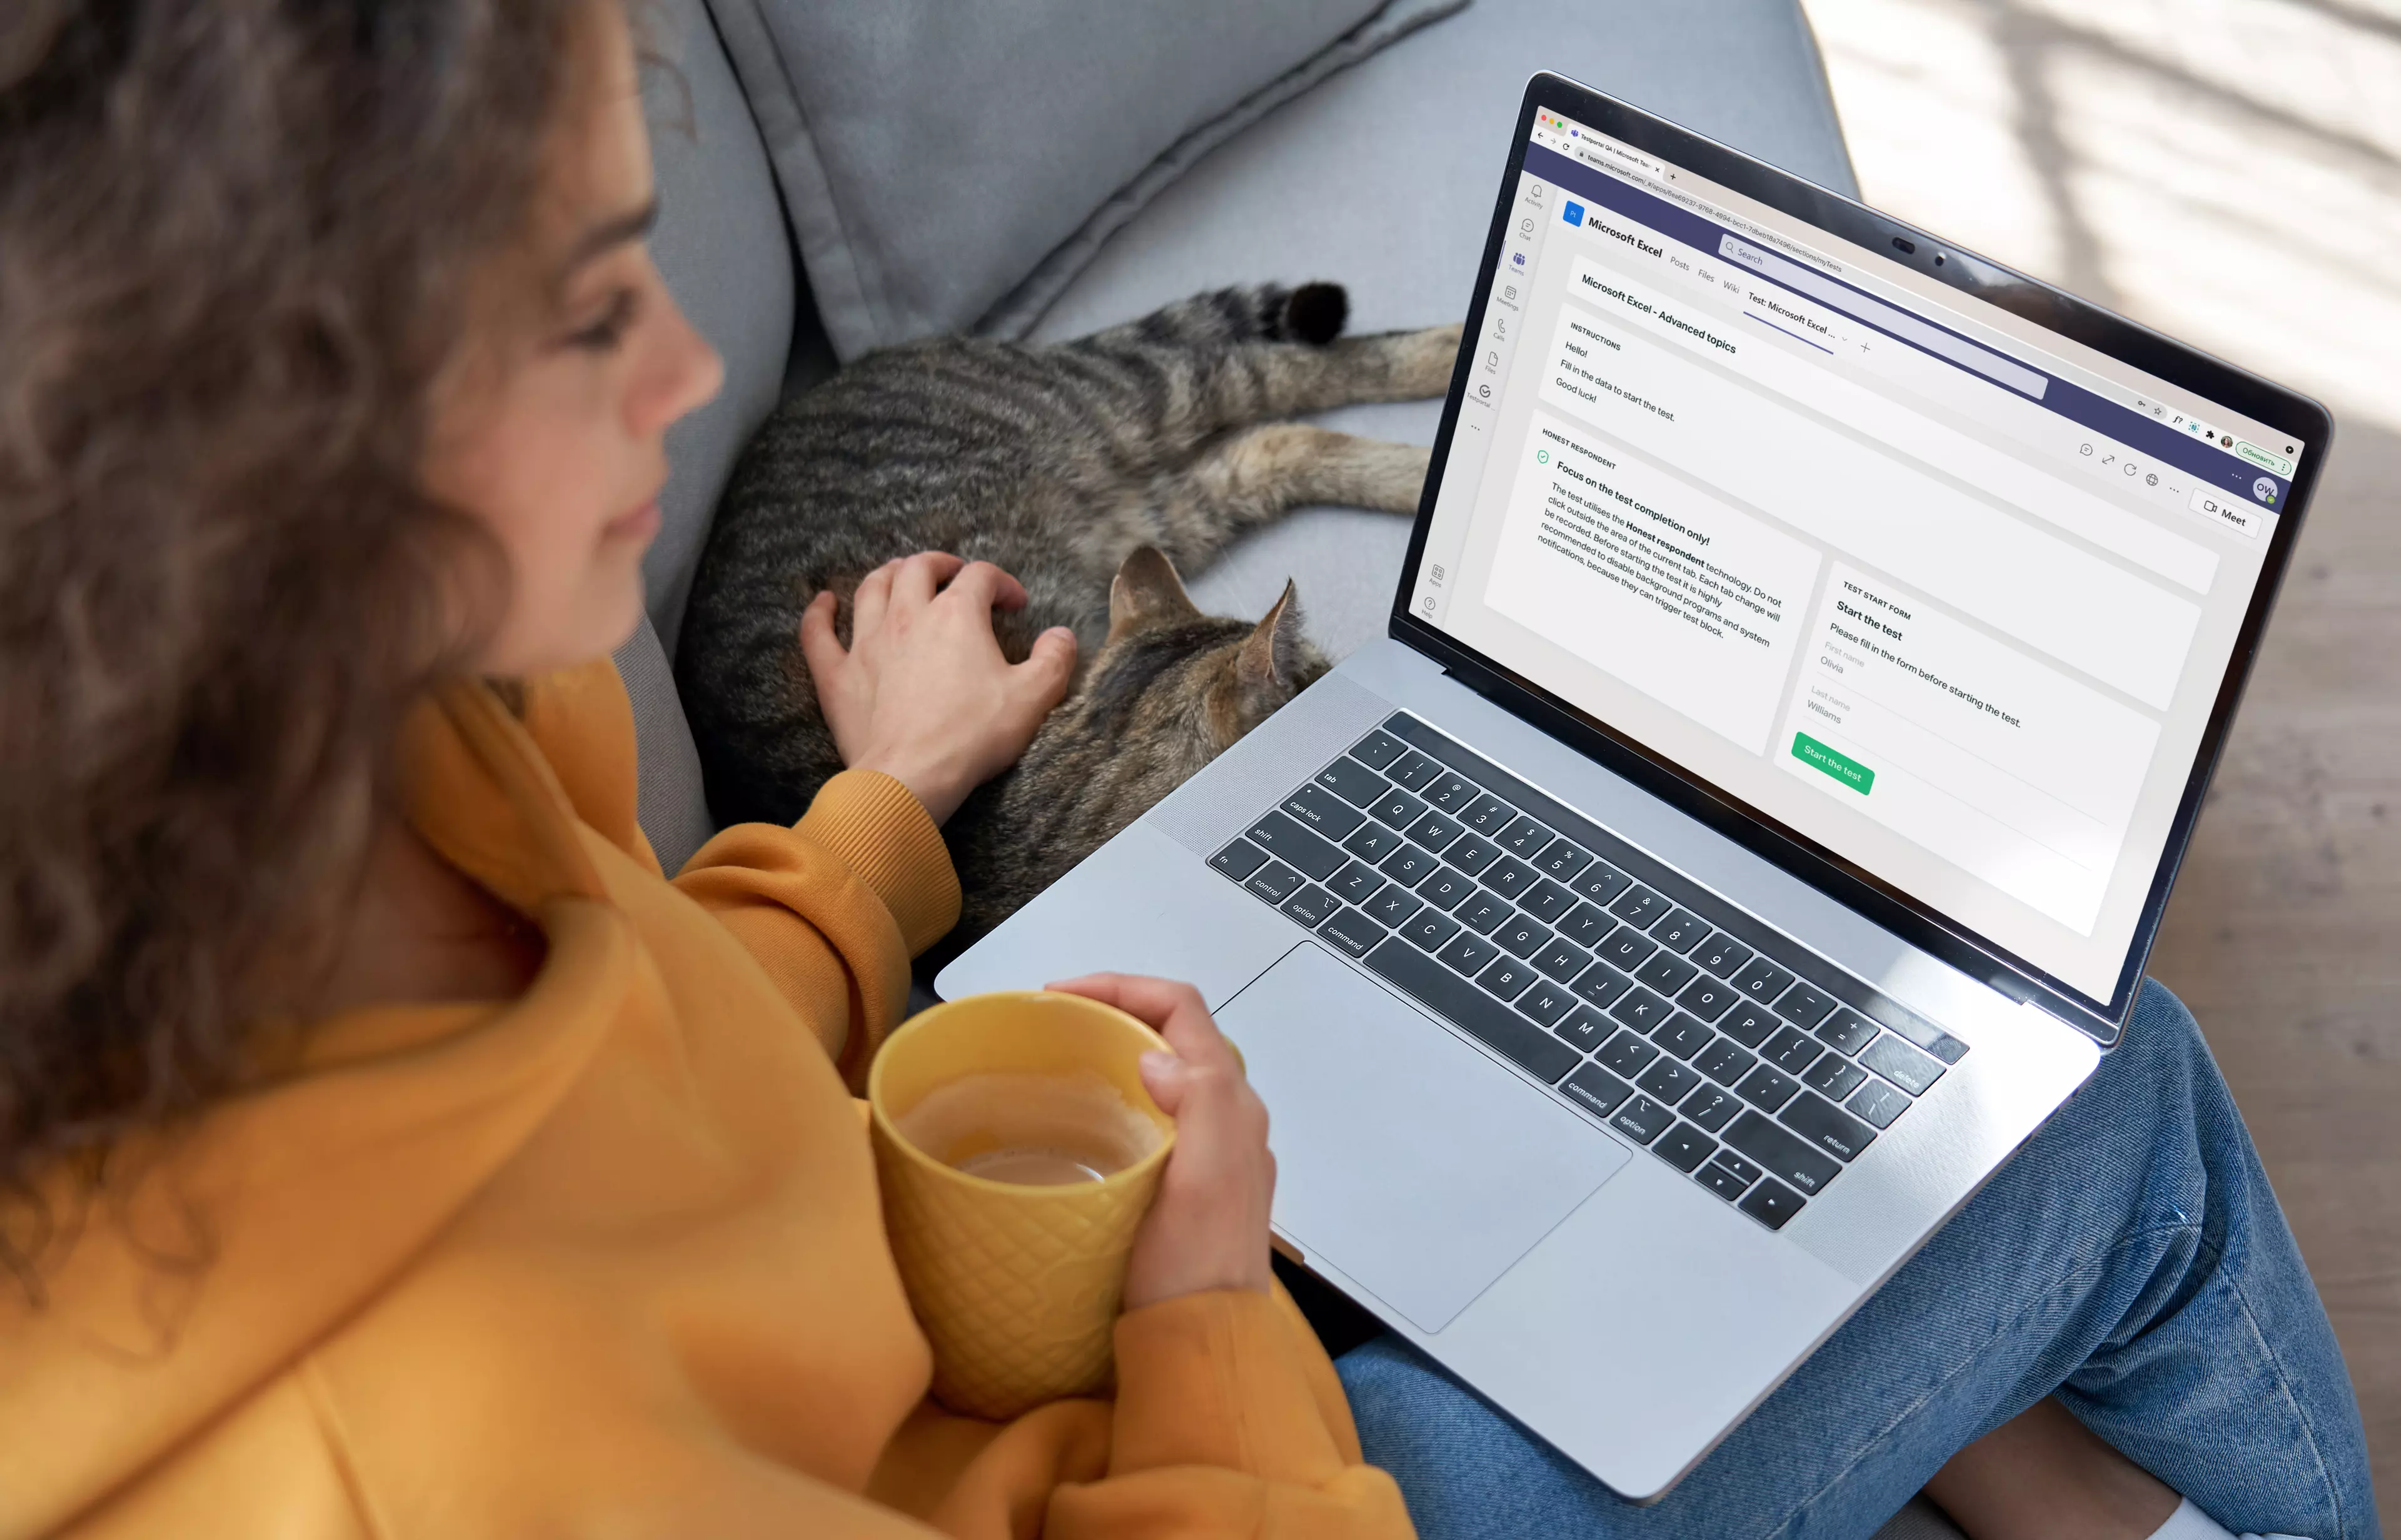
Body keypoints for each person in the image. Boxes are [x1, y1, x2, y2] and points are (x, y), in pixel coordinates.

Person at [0, 3, 2372, 1537]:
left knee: (1733, 1193)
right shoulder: (431, 1459)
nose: (684, 370)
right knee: (2108, 1105)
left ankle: (2014, 1467)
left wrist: (874, 826)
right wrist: (1216, 1306)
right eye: (593, 304)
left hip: (1022, 1311)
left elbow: (629, 1071)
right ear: (282, 449)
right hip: (1232, 1468)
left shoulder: (370, 739)